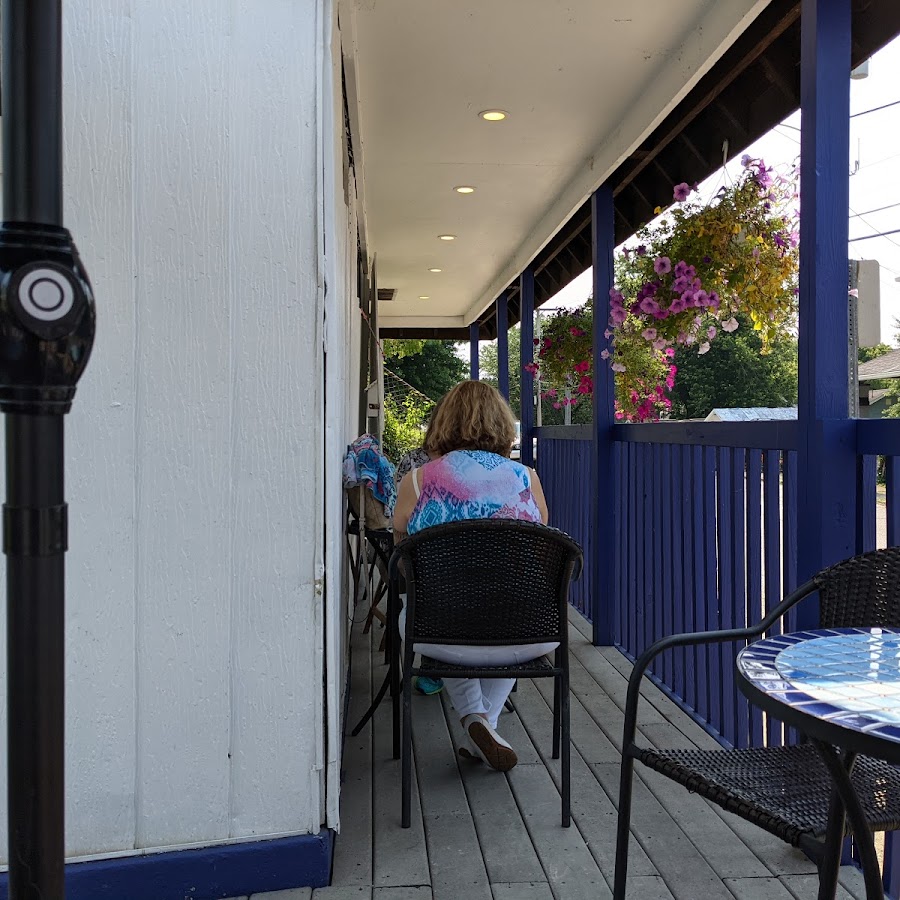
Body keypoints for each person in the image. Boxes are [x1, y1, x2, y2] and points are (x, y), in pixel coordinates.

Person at [393, 380, 553, 772]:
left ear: (443, 423)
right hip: (527, 632)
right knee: (503, 608)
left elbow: (401, 557)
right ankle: (484, 727)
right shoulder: (527, 478)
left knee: (439, 608)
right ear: (503, 425)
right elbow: (541, 547)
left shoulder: (417, 481)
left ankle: (475, 720)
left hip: (439, 633)